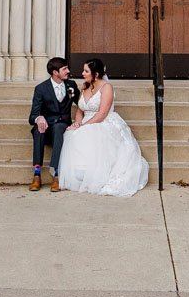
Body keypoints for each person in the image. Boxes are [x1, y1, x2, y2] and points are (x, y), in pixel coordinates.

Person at [55, 59, 149, 196]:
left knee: (89, 134)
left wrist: (84, 126)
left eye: (86, 71)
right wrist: (77, 123)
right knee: (71, 133)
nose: (82, 73)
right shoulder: (85, 87)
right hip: (86, 121)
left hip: (102, 121)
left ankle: (96, 176)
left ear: (96, 74)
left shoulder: (106, 87)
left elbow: (103, 113)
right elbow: (80, 109)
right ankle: (82, 177)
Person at [28, 57, 79, 191]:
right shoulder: (41, 88)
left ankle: (56, 174)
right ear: (55, 72)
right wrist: (39, 118)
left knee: (59, 127)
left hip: (62, 125)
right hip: (47, 127)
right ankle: (37, 175)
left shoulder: (71, 85)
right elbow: (32, 115)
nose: (68, 71)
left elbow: (82, 103)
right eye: (64, 69)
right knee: (39, 129)